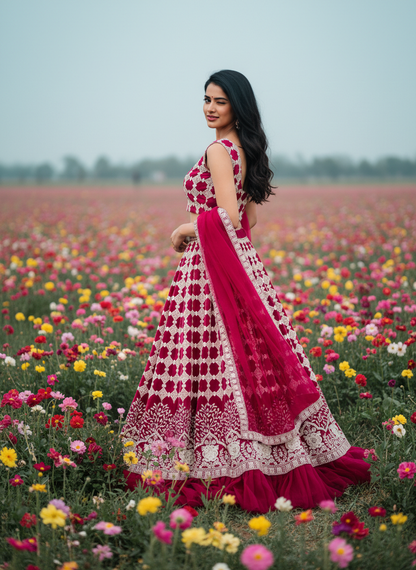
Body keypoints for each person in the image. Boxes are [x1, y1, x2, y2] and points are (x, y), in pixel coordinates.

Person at [122, 70, 370, 513]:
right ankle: (265, 453)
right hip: (240, 264)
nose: (210, 108)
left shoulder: (219, 150)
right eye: (206, 99)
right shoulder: (244, 150)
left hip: (208, 269)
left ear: (237, 105)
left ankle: (209, 459)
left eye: (220, 101)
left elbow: (231, 217)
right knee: (242, 362)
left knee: (204, 360)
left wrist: (186, 228)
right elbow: (249, 221)